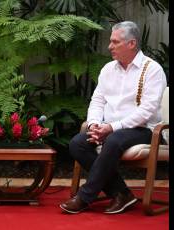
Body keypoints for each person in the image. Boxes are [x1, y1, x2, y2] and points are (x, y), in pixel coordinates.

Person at [59, 21, 167, 215]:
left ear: (131, 44)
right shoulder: (108, 69)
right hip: (108, 129)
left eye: (115, 42)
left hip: (144, 130)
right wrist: (94, 125)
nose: (110, 46)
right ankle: (121, 193)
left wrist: (112, 128)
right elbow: (97, 101)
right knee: (77, 143)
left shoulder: (152, 69)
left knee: (114, 139)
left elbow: (147, 110)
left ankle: (84, 197)